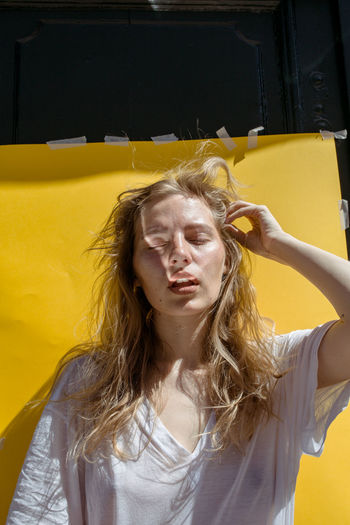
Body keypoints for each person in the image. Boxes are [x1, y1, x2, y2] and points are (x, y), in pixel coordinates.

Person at [6, 151, 350, 525]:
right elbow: (38, 516)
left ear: (228, 261)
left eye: (198, 238)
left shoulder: (277, 371)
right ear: (134, 275)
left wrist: (280, 245)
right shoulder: (91, 382)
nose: (179, 256)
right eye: (155, 245)